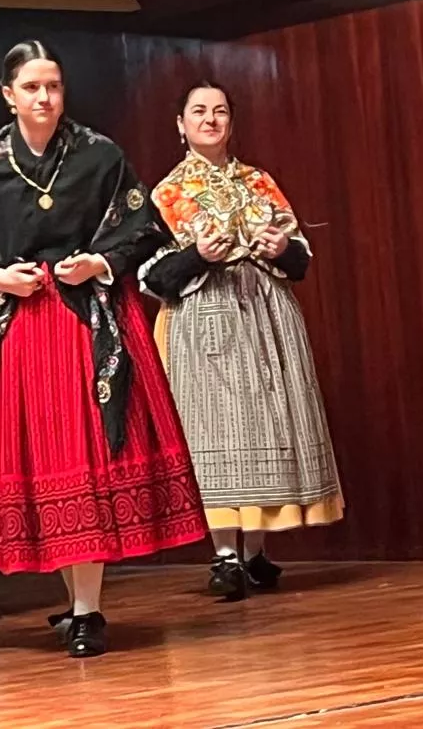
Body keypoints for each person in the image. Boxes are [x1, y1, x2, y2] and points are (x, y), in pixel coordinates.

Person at [0, 40, 207, 658]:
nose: (44, 97)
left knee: (84, 460)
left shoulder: (99, 153)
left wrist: (100, 262)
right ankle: (77, 602)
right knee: (49, 464)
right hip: (23, 327)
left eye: (54, 86)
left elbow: (144, 228)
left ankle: (89, 611)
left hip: (85, 320)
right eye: (31, 87)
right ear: (9, 96)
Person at [140, 82, 344, 600]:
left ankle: (255, 550)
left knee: (269, 426)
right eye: (199, 111)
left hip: (266, 315)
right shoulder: (166, 194)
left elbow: (300, 260)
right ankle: (225, 554)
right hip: (205, 318)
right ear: (180, 124)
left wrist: (280, 248)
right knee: (216, 432)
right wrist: (198, 256)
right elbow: (150, 275)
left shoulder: (259, 182)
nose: (210, 120)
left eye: (220, 111)